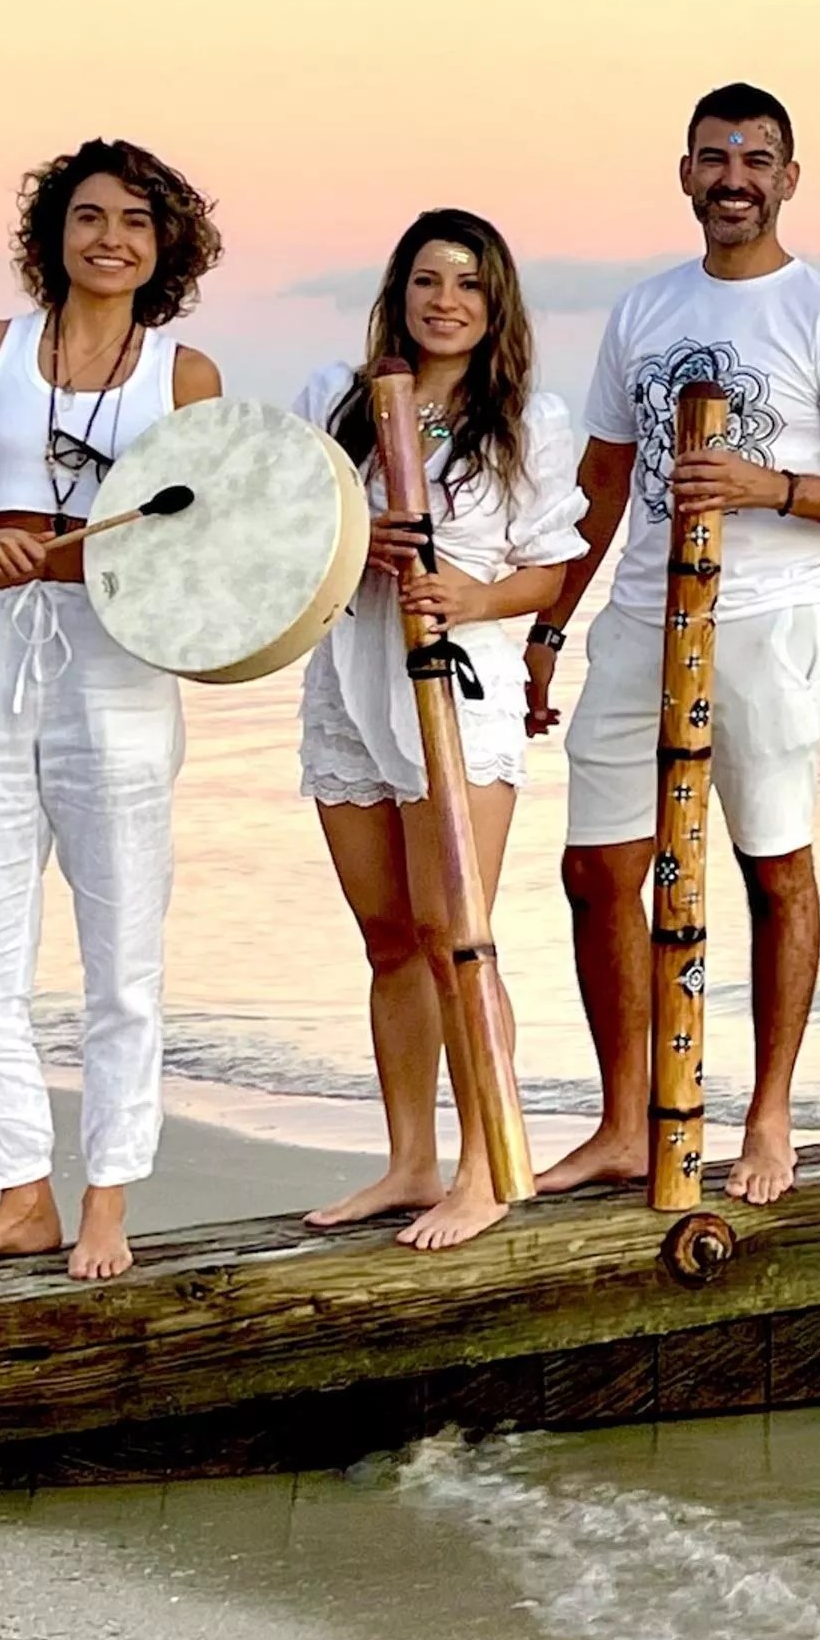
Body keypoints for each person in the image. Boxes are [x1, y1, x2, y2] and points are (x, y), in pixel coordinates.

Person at [521, 84, 820, 1205]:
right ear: (684, 172)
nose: (733, 176)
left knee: (771, 866)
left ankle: (772, 1115)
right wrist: (553, 620)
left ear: (790, 177)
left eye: (756, 158)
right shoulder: (642, 309)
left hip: (767, 622)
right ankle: (624, 1121)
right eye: (713, 157)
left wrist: (768, 485)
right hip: (640, 616)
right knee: (597, 870)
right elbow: (603, 482)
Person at [0, 139, 225, 1279]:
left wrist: (95, 565)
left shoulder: (186, 378)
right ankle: (20, 1194)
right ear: (54, 234)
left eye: (134, 219)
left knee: (121, 952)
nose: (109, 237)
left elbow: (207, 553)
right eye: (88, 216)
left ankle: (109, 1198)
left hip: (118, 674)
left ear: (164, 244)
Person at [293, 211, 586, 1248]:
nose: (446, 300)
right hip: (348, 677)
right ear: (400, 292)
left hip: (456, 683)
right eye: (427, 280)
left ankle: (486, 1167)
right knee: (389, 942)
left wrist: (474, 598)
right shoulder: (340, 398)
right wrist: (350, 537)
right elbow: (288, 531)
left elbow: (552, 570)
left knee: (456, 937)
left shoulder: (528, 419)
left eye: (468, 283)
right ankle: (409, 1160)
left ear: (495, 301)